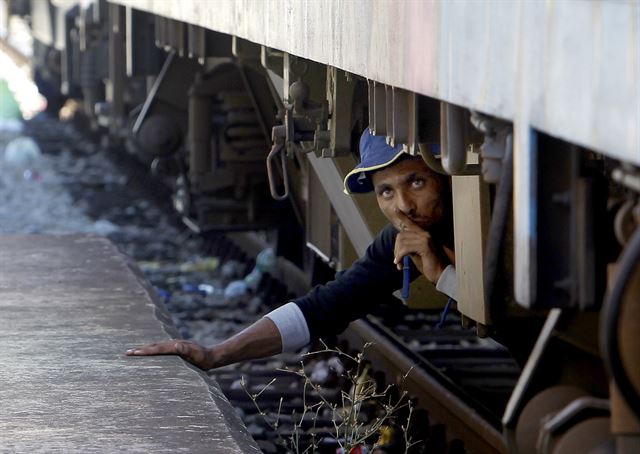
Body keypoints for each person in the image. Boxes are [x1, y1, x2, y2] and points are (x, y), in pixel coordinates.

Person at [126, 129, 456, 370]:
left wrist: (442, 276)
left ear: (443, 174)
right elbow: (323, 308)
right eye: (385, 192)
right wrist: (215, 355)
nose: (403, 206)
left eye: (416, 182)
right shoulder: (400, 240)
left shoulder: (492, 228)